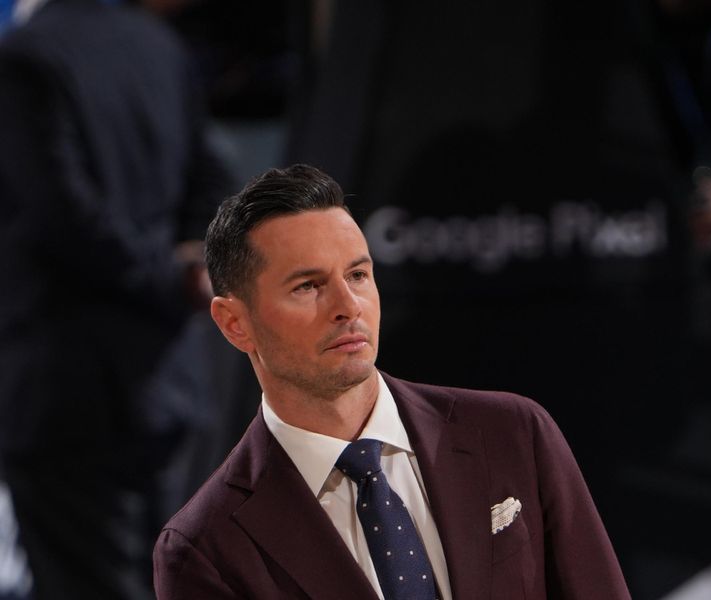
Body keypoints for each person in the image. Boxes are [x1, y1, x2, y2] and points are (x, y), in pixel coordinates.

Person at [153, 164, 631, 600]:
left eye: (358, 274)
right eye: (308, 286)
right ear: (235, 323)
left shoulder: (513, 434)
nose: (348, 305)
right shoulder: (205, 548)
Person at [0, 0, 233, 598]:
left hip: (68, 396)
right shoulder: (160, 48)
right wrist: (189, 266)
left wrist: (168, 275)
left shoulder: (27, 57)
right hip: (170, 386)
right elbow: (212, 181)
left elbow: (62, 219)